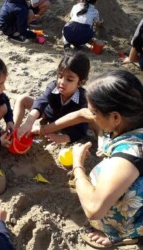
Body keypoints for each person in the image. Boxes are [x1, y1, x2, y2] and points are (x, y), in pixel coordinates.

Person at [69, 70, 143, 248]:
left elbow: (94, 210)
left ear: (116, 117)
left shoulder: (129, 155)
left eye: (94, 112)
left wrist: (78, 166)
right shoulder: (134, 116)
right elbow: (81, 115)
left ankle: (120, 232)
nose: (91, 116)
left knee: (96, 200)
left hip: (136, 211)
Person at [13, 51, 90, 144]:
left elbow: (81, 130)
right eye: (60, 76)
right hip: (49, 115)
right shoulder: (53, 86)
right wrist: (29, 122)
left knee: (92, 119)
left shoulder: (83, 99)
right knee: (22, 99)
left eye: (69, 79)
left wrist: (63, 138)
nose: (62, 82)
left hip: (67, 126)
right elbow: (41, 102)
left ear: (81, 82)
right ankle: (13, 131)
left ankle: (101, 140)